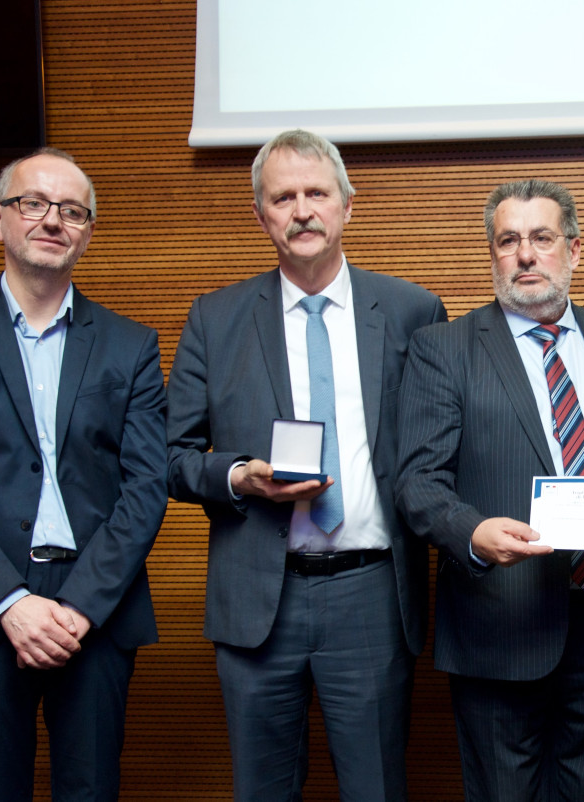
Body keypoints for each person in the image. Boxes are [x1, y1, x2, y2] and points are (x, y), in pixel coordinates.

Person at [165, 129, 446, 801]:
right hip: (261, 596)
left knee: (376, 789)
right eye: (282, 197)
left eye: (316, 192)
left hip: (372, 594)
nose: (302, 210)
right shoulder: (216, 318)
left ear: (347, 205)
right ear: (262, 215)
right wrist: (238, 478)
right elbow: (170, 458)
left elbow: (443, 443)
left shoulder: (413, 311)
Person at [395, 179, 584, 801]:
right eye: (508, 240)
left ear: (573, 250)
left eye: (541, 238)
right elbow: (417, 479)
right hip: (501, 623)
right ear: (493, 254)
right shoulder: (445, 349)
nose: (525, 254)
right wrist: (469, 532)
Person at [0, 148, 166, 801]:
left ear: (88, 231)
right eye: (34, 203)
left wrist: (78, 607)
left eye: (72, 210)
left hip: (96, 609)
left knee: (92, 788)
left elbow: (145, 487)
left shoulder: (131, 345)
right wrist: (12, 604)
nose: (53, 220)